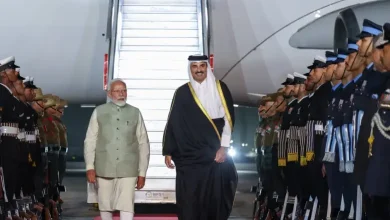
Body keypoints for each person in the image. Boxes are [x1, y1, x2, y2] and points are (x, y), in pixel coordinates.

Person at [162, 55, 238, 220]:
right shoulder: (182, 92)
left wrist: (224, 147)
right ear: (190, 69)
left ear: (207, 67)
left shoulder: (220, 88)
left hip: (214, 154)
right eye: (194, 66)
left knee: (214, 198)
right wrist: (169, 150)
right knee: (190, 199)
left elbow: (228, 120)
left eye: (201, 66)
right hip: (189, 157)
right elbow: (174, 122)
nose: (198, 70)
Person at [84, 79, 150, 220]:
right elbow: (90, 140)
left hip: (129, 168)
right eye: (117, 91)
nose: (122, 93)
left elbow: (143, 143)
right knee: (105, 203)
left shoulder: (135, 112)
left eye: (124, 90)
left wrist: (142, 172)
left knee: (127, 204)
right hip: (104, 167)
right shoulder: (99, 112)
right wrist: (90, 166)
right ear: (109, 93)